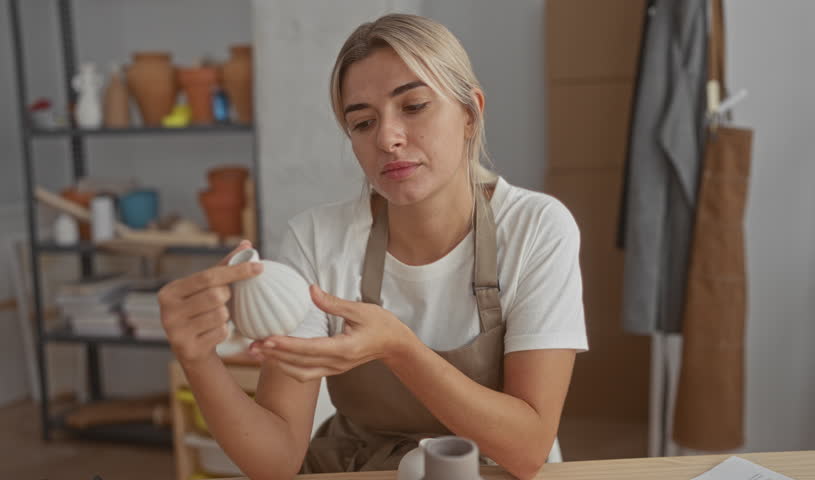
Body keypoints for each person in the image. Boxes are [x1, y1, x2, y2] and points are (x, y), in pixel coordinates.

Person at [157, 13, 587, 480]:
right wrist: (199, 359)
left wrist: (398, 349)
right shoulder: (318, 239)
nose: (387, 138)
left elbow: (527, 450)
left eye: (415, 106)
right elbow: (277, 460)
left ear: (471, 113)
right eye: (362, 122)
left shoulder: (537, 228)